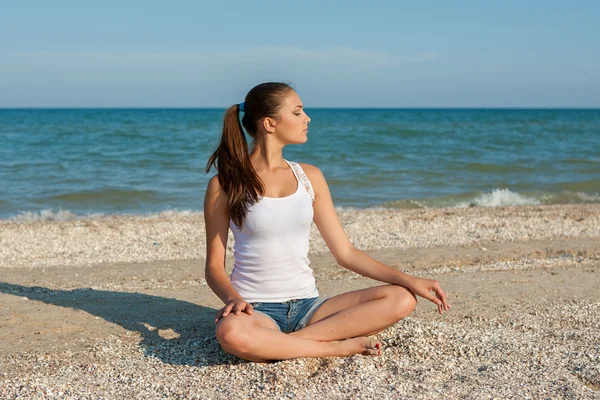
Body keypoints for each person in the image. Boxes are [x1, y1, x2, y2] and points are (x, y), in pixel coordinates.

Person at [204, 82, 450, 362]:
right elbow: (214, 267)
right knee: (231, 333)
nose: (307, 118)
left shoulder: (310, 177)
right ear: (270, 124)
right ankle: (332, 346)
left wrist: (409, 279)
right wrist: (233, 299)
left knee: (402, 298)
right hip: (255, 311)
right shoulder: (224, 185)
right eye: (298, 112)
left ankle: (282, 345)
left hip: (310, 307)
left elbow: (345, 253)